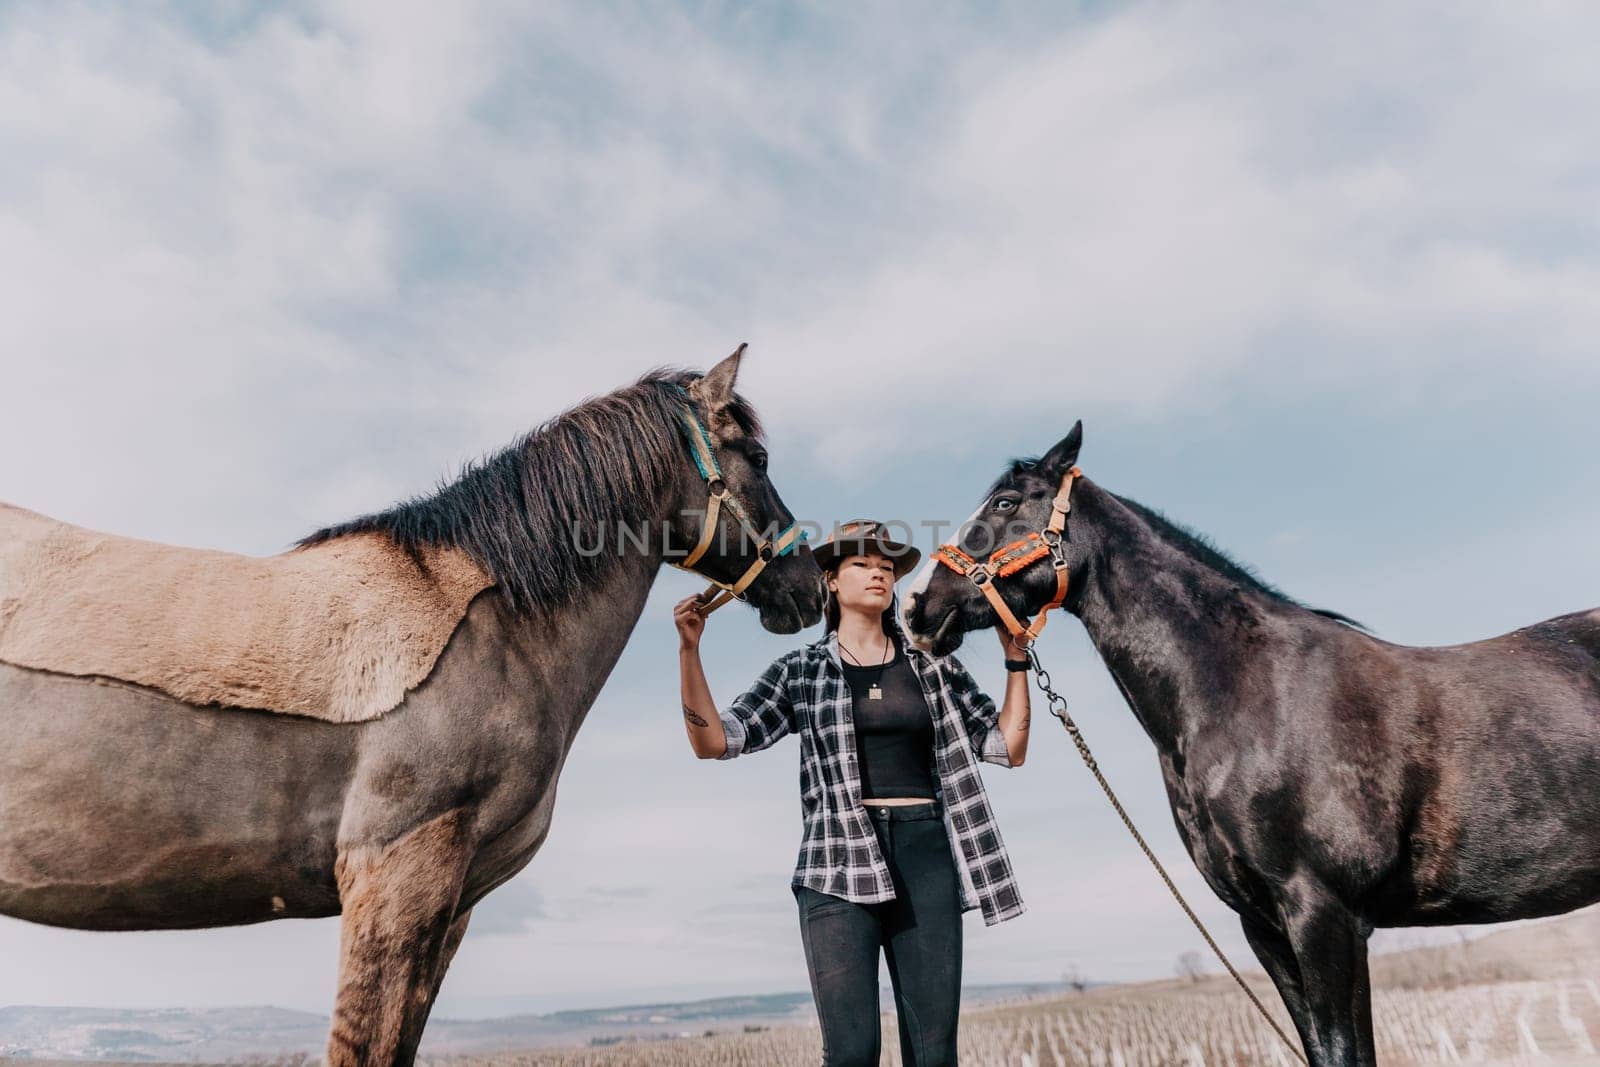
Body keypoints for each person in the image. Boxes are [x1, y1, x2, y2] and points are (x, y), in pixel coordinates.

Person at [673, 519, 1032, 1067]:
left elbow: (1007, 747)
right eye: (862, 565)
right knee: (851, 1052)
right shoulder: (801, 671)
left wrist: (1015, 662)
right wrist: (689, 651)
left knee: (935, 1055)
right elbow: (715, 741)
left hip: (925, 856)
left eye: (887, 568)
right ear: (831, 583)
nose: (878, 574)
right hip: (835, 862)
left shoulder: (935, 666)